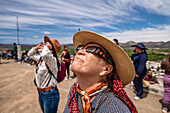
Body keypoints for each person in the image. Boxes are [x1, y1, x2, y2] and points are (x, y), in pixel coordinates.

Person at [64, 31, 137, 113]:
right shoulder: (75, 89)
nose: (80, 52)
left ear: (106, 70)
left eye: (92, 49)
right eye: (81, 48)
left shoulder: (113, 109)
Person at [28, 36, 61, 113]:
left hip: (50, 94)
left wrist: (46, 47)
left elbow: (46, 55)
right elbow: (30, 55)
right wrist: (36, 47)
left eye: (47, 44)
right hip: (41, 92)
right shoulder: (41, 59)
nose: (44, 44)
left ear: (51, 49)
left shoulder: (52, 60)